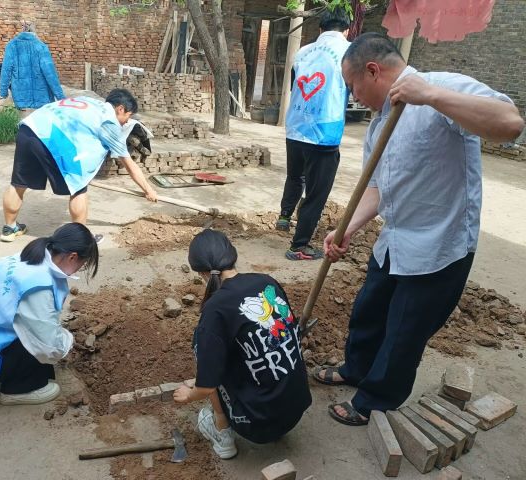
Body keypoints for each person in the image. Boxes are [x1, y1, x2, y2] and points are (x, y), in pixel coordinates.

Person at [312, 33, 524, 425]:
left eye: (353, 86)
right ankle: (356, 369)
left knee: (403, 332)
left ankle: (375, 399)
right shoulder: (379, 125)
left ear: (373, 71)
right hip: (396, 239)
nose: (353, 97)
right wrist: (347, 228)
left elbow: (510, 125)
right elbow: (377, 188)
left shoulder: (443, 87)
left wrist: (430, 95)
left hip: (439, 245)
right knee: (368, 312)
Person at [173, 230, 311, 458]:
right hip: (296, 407)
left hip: (256, 424)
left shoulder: (215, 310)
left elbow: (207, 387)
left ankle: (222, 432)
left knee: (204, 346)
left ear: (200, 272)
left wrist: (189, 394)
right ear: (233, 255)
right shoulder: (267, 282)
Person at [0, 223, 99, 405]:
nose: (81, 268)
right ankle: (18, 389)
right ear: (73, 257)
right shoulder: (38, 287)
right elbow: (47, 345)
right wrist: (69, 341)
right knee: (41, 341)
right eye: (83, 264)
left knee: (37, 330)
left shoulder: (25, 257)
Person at [0, 88, 158, 242]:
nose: (126, 123)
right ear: (120, 108)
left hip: (29, 128)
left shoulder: (88, 101)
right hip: (53, 138)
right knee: (78, 187)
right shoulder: (109, 122)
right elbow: (129, 164)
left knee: (18, 183)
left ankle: (10, 228)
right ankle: (80, 239)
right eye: (128, 117)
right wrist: (148, 190)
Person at [277, 9, 351, 260]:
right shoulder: (349, 52)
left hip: (296, 126)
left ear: (320, 29)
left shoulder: (302, 51)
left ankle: (285, 217)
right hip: (324, 134)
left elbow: (295, 84)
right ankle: (299, 246)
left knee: (294, 175)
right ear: (347, 29)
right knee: (317, 193)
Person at [0, 21, 65, 110]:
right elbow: (50, 73)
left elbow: (6, 70)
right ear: (34, 31)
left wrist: (3, 92)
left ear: (22, 30)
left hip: (21, 98)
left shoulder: (11, 46)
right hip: (42, 97)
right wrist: (61, 97)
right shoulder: (41, 46)